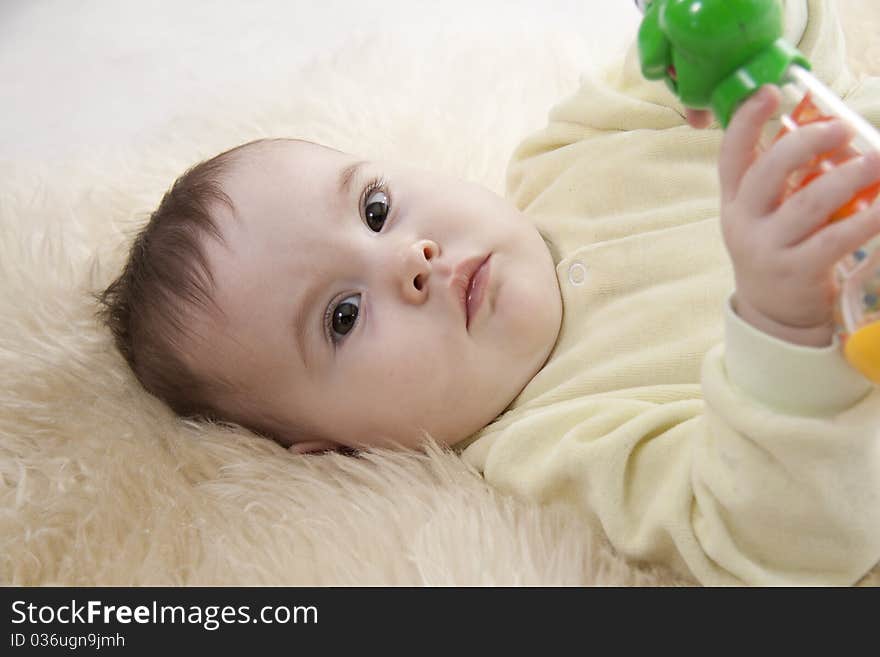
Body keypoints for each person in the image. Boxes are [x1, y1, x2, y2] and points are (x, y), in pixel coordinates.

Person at [98, 0, 880, 585]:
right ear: (340, 448)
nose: (410, 258)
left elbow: (772, 59)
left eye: (374, 209)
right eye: (343, 316)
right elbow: (782, 537)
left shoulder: (573, 148)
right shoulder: (552, 450)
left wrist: (713, 24)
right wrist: (787, 329)